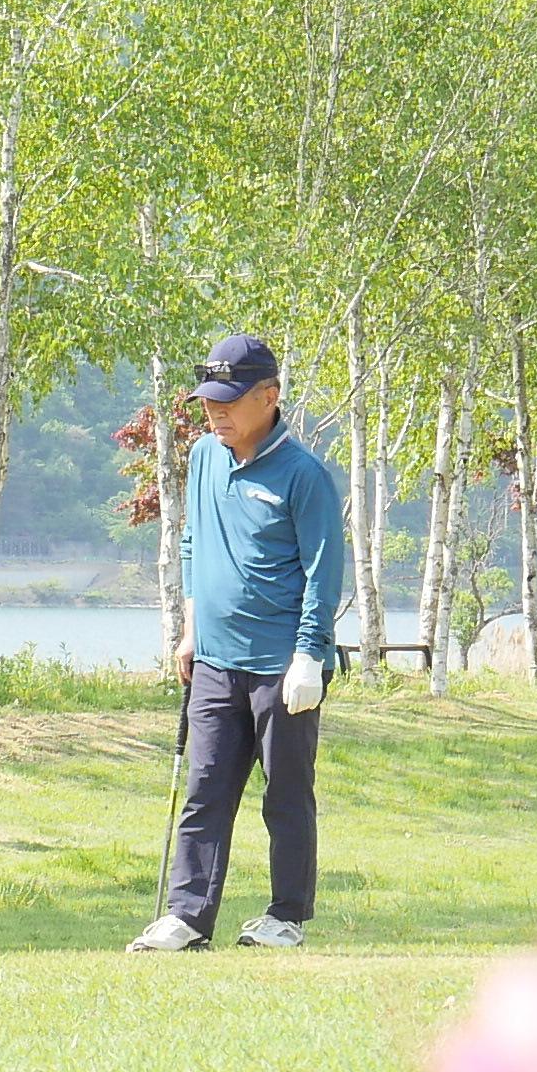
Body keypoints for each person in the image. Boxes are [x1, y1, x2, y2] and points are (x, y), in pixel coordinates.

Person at [130, 332, 346, 953]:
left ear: (269, 396)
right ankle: (188, 917)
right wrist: (192, 629)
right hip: (216, 658)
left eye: (229, 400)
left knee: (285, 795)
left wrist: (310, 655)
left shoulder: (303, 475)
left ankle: (286, 916)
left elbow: (323, 570)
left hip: (285, 665)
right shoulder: (204, 456)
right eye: (208, 400)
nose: (215, 412)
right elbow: (195, 543)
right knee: (205, 790)